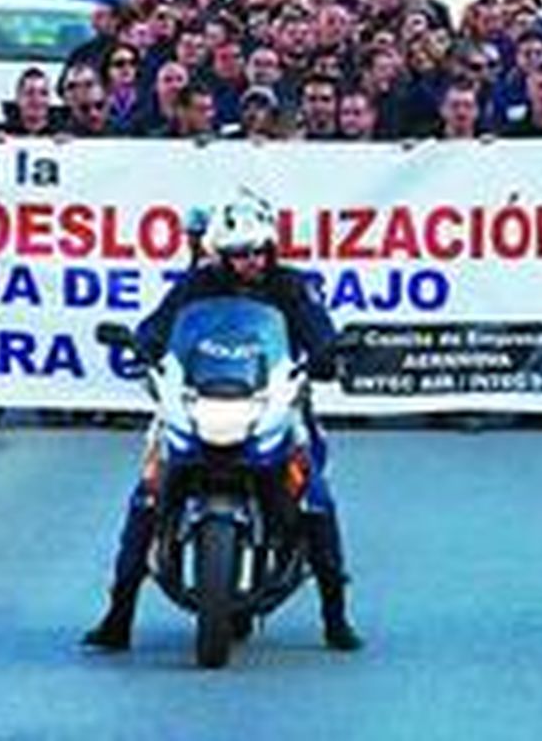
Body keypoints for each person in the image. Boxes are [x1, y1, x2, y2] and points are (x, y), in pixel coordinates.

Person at [83, 195, 364, 652]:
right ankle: (118, 615)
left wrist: (329, 354)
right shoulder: (197, 284)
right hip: (200, 401)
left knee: (314, 496)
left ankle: (335, 614)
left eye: (258, 251)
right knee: (147, 495)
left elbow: (319, 334)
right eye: (239, 254)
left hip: (273, 401)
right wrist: (140, 345)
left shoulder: (291, 286)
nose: (251, 261)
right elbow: (157, 328)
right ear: (221, 254)